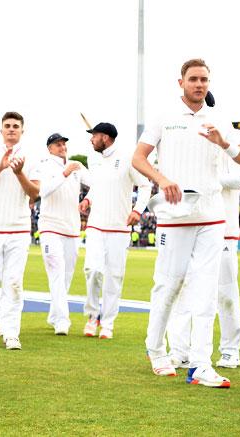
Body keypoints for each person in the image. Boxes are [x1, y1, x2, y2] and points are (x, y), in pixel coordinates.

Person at [132, 58, 240, 387]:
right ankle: (156, 349)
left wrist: (225, 144)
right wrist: (162, 179)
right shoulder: (164, 116)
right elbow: (138, 158)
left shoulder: (219, 119)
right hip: (174, 216)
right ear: (181, 82)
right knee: (168, 286)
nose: (199, 84)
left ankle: (201, 365)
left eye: (204, 80)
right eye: (193, 79)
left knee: (205, 292)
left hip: (212, 216)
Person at [168, 128, 240, 370]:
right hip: (190, 223)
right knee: (183, 290)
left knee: (225, 290)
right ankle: (180, 351)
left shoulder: (233, 136)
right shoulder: (185, 132)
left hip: (223, 227)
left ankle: (230, 350)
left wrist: (200, 180)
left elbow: (238, 179)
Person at [80, 123, 151, 340]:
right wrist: (88, 198)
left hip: (119, 228)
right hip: (95, 225)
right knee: (92, 270)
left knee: (114, 277)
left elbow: (146, 186)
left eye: (94, 136)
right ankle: (92, 317)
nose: (91, 140)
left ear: (106, 137)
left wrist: (138, 210)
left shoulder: (128, 158)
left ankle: (108, 323)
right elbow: (98, 185)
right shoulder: (94, 159)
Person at [0, 112, 40, 350]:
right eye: (7, 126)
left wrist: (18, 172)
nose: (12, 129)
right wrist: (1, 167)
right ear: (1, 130)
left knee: (14, 282)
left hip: (18, 228)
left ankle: (11, 332)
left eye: (16, 126)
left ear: (22, 130)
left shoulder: (31, 156)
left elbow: (35, 193)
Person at [37, 133, 90, 335]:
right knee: (56, 273)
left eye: (64, 144)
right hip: (51, 226)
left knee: (66, 276)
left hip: (72, 228)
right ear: (50, 148)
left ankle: (54, 314)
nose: (62, 147)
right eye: (57, 145)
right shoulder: (45, 165)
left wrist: (88, 199)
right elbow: (44, 191)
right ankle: (62, 320)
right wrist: (65, 173)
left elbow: (96, 183)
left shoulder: (76, 165)